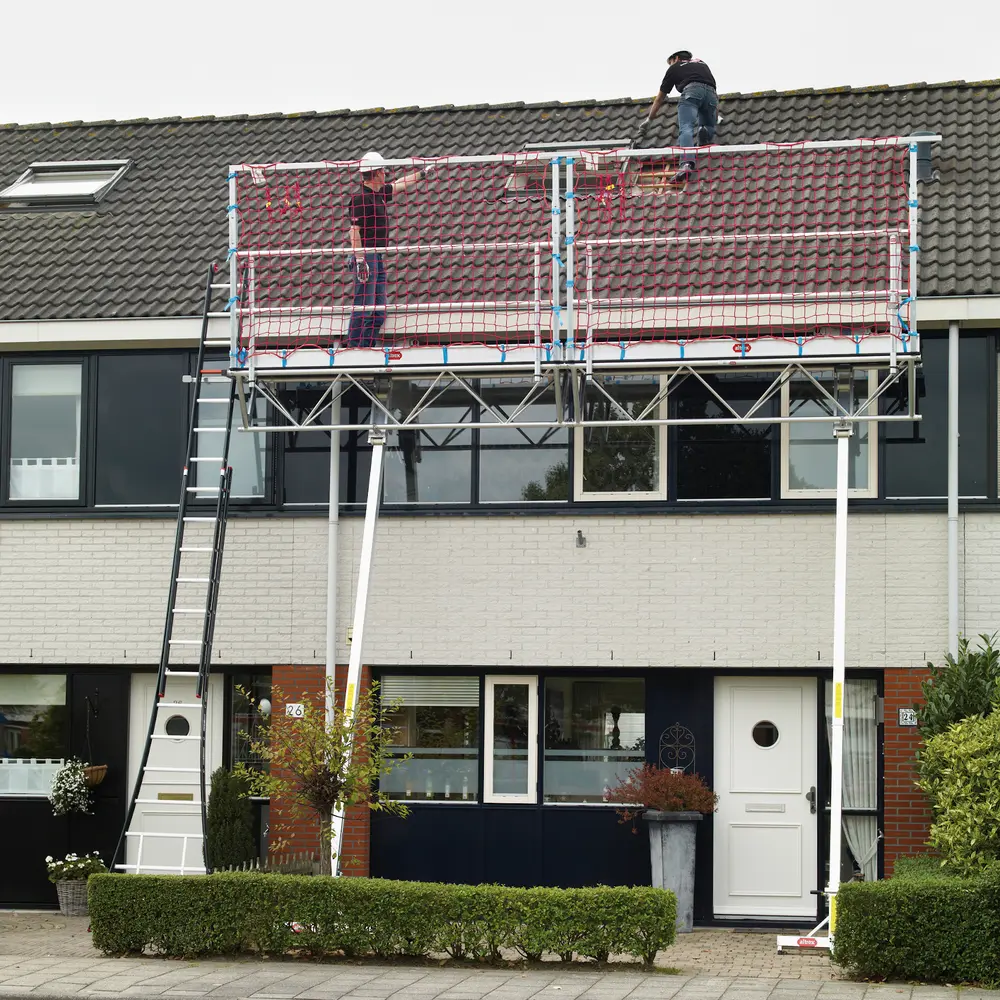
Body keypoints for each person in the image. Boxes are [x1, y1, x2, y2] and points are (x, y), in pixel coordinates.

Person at [346, 151, 432, 348]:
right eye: (383, 171)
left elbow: (400, 184)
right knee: (364, 306)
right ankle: (354, 348)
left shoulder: (378, 193)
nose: (386, 174)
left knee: (378, 311)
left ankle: (366, 346)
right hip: (366, 256)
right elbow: (354, 231)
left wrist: (422, 174)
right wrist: (360, 262)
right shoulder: (360, 198)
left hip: (376, 255)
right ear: (376, 173)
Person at [635, 51, 718, 183]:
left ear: (676, 58)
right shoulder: (702, 63)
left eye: (670, 62)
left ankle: (686, 164)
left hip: (691, 92)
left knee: (686, 128)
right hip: (711, 95)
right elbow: (711, 86)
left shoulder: (674, 67)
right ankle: (705, 132)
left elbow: (660, 98)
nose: (670, 65)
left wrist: (649, 119)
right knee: (708, 124)